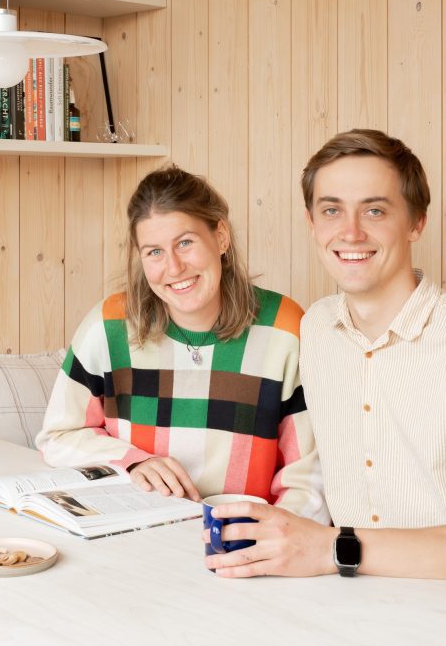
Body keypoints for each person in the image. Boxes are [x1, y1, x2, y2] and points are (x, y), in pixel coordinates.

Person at [204, 129, 446, 646]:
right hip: (360, 617)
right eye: (331, 208)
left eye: (375, 208)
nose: (351, 229)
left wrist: (333, 548)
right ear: (311, 224)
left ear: (416, 220)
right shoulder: (316, 330)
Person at [37, 164, 329, 520]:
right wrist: (132, 461)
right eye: (154, 252)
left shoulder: (284, 328)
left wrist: (273, 542)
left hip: (245, 541)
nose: (173, 267)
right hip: (137, 533)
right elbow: (57, 438)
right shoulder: (108, 326)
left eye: (185, 243)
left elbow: (309, 480)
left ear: (220, 237)